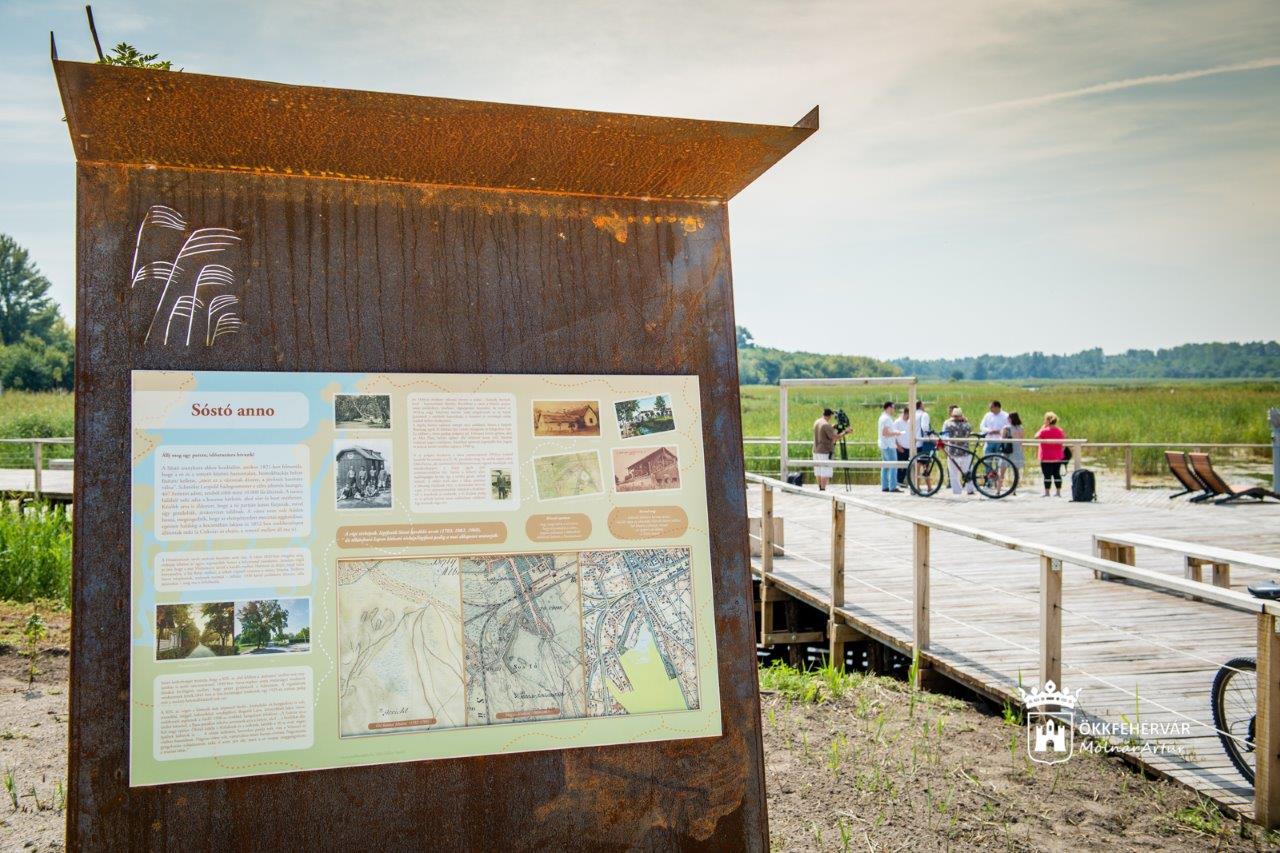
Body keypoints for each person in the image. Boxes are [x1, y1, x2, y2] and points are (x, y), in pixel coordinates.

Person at [812, 408, 850, 492]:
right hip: (824, 451)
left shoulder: (817, 422)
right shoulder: (826, 425)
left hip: (816, 449)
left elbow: (823, 432)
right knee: (825, 470)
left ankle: (820, 488)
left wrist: (833, 426)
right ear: (829, 416)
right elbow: (835, 438)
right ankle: (823, 489)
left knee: (818, 470)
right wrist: (845, 432)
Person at [941, 407, 975, 495]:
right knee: (968, 472)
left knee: (953, 474)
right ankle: (970, 490)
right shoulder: (967, 425)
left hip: (952, 452)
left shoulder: (948, 424)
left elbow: (944, 435)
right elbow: (969, 433)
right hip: (965, 452)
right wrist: (965, 420)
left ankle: (957, 491)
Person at [1035, 412, 1067, 497]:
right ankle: (1058, 492)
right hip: (1057, 456)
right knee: (1057, 474)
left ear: (1047, 421)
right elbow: (1063, 439)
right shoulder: (1060, 430)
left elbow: (1036, 436)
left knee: (1047, 475)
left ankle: (1047, 492)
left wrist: (1042, 428)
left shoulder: (1044, 430)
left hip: (1046, 456)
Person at [877, 401, 901, 492]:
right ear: (889, 407)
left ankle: (885, 486)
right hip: (889, 445)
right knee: (893, 466)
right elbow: (885, 432)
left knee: (885, 466)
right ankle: (892, 486)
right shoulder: (886, 418)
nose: (894, 409)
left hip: (883, 445)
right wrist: (896, 433)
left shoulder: (881, 417)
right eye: (893, 407)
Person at [1005, 411, 1026, 494]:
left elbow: (1003, 439)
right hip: (1018, 449)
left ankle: (1011, 487)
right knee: (1016, 471)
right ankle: (1014, 489)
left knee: (1009, 470)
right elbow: (1022, 439)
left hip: (1010, 449)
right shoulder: (1021, 427)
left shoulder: (1007, 428)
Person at [894, 405, 912, 475]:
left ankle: (903, 482)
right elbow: (893, 436)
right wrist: (898, 446)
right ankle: (899, 481)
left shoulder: (910, 422)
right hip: (901, 448)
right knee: (900, 467)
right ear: (906, 413)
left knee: (907, 467)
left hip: (909, 448)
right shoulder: (897, 422)